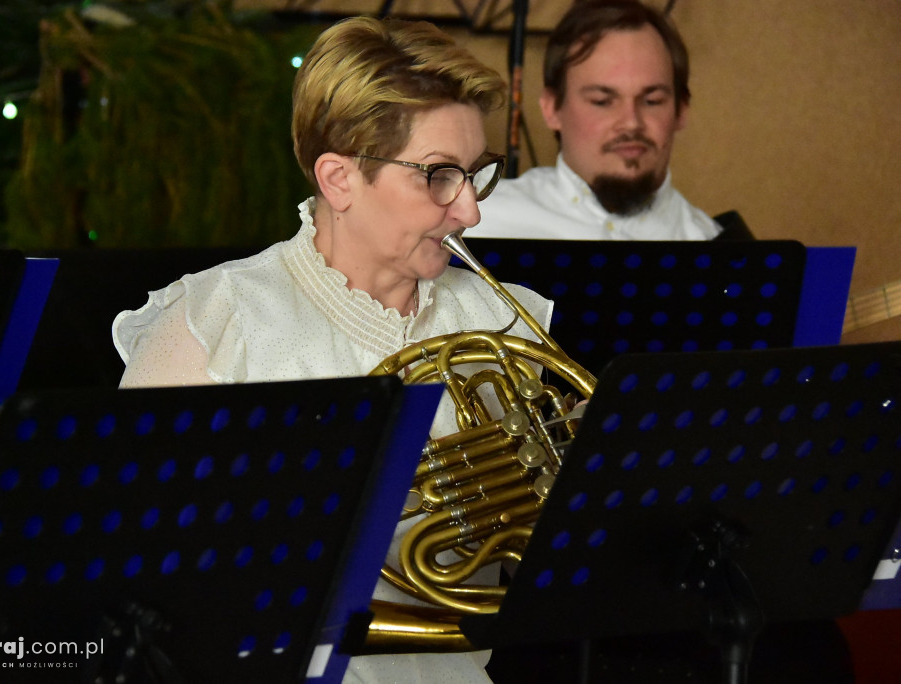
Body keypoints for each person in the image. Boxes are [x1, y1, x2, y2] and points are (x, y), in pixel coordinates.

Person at [112, 15, 553, 684]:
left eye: (476, 174)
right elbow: (129, 571)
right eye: (438, 176)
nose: (471, 211)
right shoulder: (214, 321)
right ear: (339, 179)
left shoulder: (506, 322)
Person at [472, 0, 736, 241]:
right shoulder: (475, 223)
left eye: (652, 101)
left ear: (681, 110)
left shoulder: (715, 245)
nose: (631, 122)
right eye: (602, 101)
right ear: (551, 108)